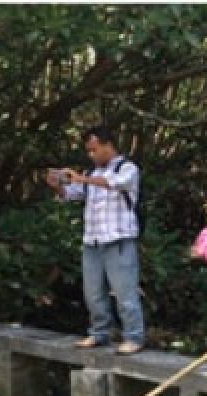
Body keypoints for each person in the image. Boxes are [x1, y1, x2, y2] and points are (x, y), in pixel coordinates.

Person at [46, 126, 145, 355]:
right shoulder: (90, 175)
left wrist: (80, 178)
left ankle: (134, 336)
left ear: (107, 145)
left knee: (125, 292)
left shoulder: (127, 168)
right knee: (93, 292)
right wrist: (58, 186)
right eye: (88, 151)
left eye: (94, 149)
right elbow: (73, 194)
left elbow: (115, 183)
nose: (91, 155)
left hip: (119, 240)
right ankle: (99, 332)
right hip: (93, 240)